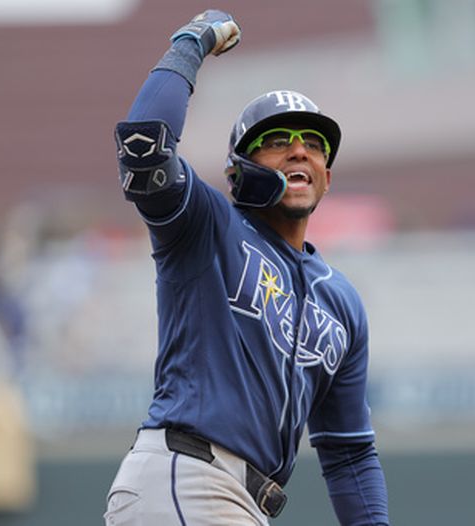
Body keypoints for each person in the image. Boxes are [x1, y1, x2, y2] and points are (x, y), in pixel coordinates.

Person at [105, 10, 390, 526]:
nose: (300, 148)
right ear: (239, 171)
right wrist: (189, 45)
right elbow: (144, 151)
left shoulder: (342, 302)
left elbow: (349, 456)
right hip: (188, 476)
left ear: (328, 175)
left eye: (314, 142)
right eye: (278, 140)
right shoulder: (207, 227)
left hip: (242, 503)